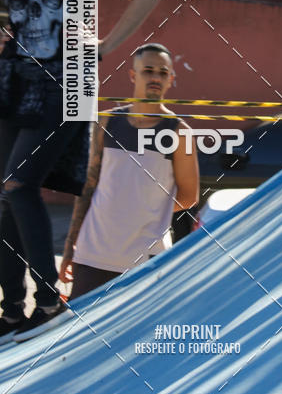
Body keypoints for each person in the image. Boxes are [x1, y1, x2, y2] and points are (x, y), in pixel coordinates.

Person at [0, 0, 159, 345]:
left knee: (21, 185)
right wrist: (1, 41)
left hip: (70, 81)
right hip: (14, 81)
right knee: (8, 193)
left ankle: (48, 303)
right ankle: (10, 313)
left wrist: (105, 46)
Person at [59, 43, 199, 300]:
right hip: (93, 256)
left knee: (132, 340)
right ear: (133, 75)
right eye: (148, 70)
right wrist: (70, 248)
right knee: (81, 335)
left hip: (145, 262)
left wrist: (146, 209)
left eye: (162, 72)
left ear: (171, 79)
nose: (155, 77)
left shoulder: (179, 132)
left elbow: (190, 196)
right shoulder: (107, 122)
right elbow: (87, 186)